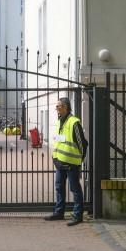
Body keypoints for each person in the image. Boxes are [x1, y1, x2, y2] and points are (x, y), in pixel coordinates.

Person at [44, 97, 88, 226]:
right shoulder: (59, 122)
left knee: (75, 189)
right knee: (59, 187)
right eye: (56, 106)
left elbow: (83, 144)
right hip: (60, 163)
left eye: (58, 106)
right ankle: (59, 213)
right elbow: (58, 142)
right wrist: (55, 158)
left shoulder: (74, 123)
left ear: (66, 107)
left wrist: (78, 162)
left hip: (71, 164)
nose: (56, 109)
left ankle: (78, 215)